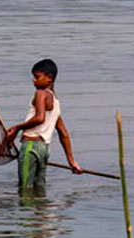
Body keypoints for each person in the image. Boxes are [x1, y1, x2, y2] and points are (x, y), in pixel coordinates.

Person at [5, 59, 82, 194]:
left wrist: (17, 127)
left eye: (37, 77)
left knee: (25, 189)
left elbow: (40, 118)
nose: (33, 80)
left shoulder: (41, 93)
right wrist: (71, 162)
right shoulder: (56, 101)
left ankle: (27, 213)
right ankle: (43, 213)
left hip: (31, 146)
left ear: (49, 78)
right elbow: (63, 133)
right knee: (39, 188)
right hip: (44, 150)